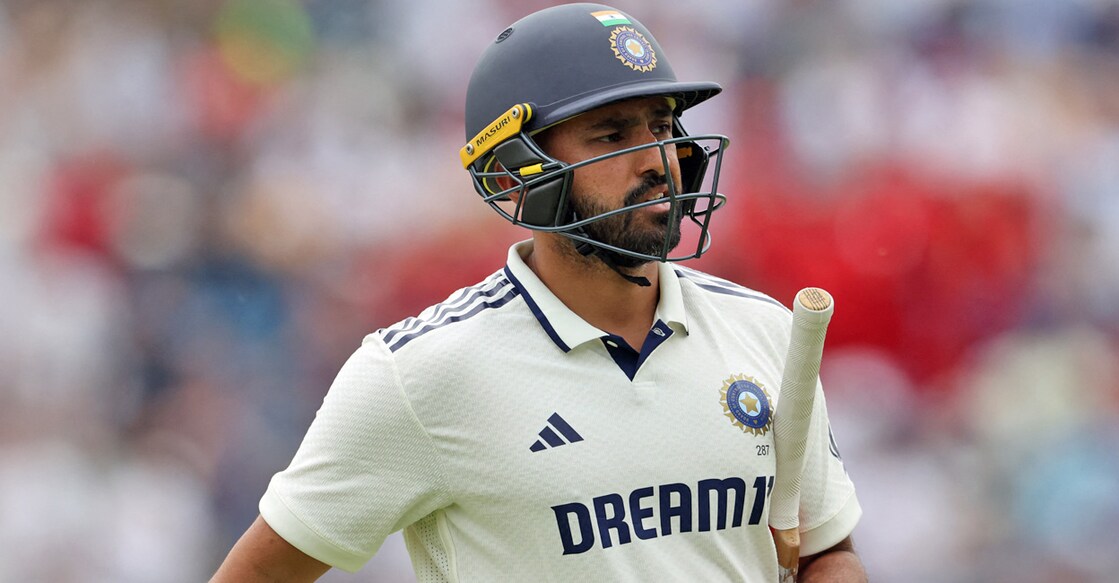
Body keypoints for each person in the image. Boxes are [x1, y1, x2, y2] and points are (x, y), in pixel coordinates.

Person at [212, 3, 866, 581]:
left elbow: (823, 549)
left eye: (662, 127)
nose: (657, 160)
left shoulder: (765, 330)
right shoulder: (419, 376)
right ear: (514, 173)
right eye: (612, 135)